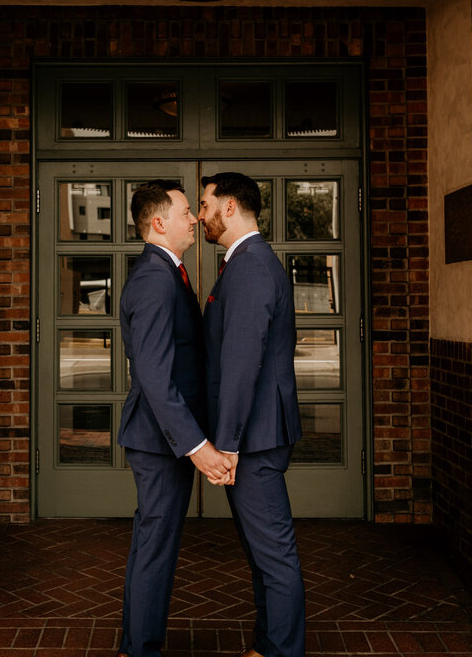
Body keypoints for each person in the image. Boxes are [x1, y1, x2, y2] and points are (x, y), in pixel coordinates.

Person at [116, 179, 235, 657]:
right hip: (159, 440)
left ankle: (136, 645)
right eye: (187, 211)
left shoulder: (170, 273)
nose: (195, 218)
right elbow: (154, 376)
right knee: (155, 546)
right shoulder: (152, 279)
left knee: (156, 543)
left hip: (165, 438)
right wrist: (198, 447)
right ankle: (139, 649)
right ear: (159, 222)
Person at [199, 171, 306, 657]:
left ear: (228, 207)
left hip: (254, 438)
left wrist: (228, 443)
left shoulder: (250, 267)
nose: (200, 215)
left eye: (204, 204)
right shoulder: (246, 263)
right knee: (263, 554)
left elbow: (242, 362)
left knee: (274, 555)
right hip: (257, 432)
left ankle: (281, 650)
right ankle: (266, 646)